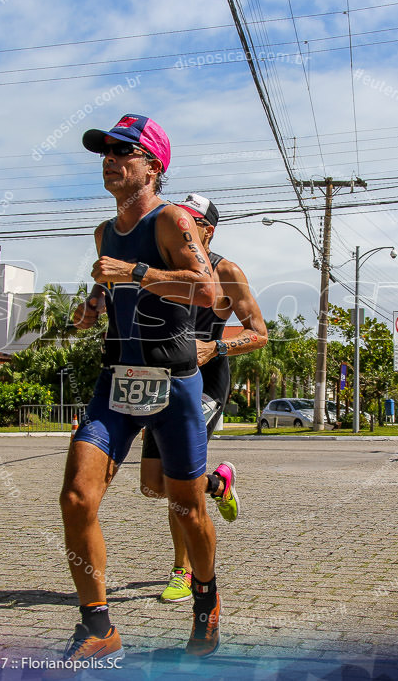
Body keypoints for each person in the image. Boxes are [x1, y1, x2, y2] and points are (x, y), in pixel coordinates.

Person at [63, 114, 219, 661]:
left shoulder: (172, 221)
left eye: (123, 151)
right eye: (105, 152)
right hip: (118, 380)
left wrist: (137, 275)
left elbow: (208, 291)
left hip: (173, 383)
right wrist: (91, 306)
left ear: (153, 165)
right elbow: (105, 283)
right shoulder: (106, 232)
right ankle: (99, 627)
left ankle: (206, 598)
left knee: (187, 508)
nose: (110, 160)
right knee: (78, 496)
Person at [138, 193, 268, 604]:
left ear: (207, 231)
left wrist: (217, 348)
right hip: (163, 377)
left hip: (206, 379)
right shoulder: (162, 266)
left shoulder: (226, 271)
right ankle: (218, 482)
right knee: (152, 486)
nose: (182, 225)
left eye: (191, 221)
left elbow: (259, 333)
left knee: (178, 484)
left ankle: (183, 570)